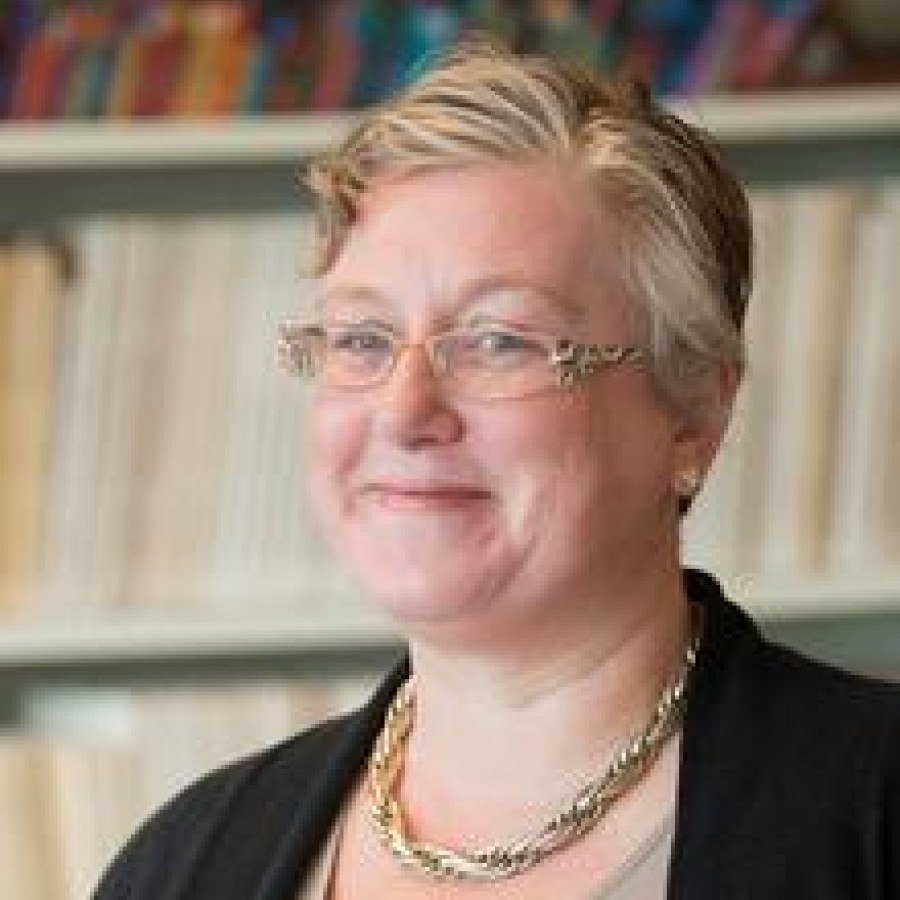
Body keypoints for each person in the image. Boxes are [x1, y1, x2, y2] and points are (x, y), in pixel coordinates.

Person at [92, 44, 900, 900]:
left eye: (499, 341)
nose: (404, 411)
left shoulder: (874, 814)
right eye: (363, 339)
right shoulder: (184, 864)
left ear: (695, 412)